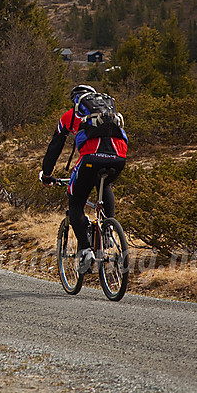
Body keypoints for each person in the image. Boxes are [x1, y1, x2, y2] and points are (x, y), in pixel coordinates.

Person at [40, 84, 128, 274]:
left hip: (90, 159)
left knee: (76, 202)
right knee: (103, 183)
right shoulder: (109, 112)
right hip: (119, 158)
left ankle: (86, 250)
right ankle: (108, 228)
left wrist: (47, 174)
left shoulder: (70, 115)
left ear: (76, 100)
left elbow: (55, 146)